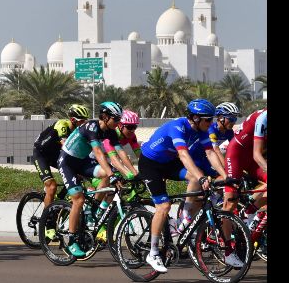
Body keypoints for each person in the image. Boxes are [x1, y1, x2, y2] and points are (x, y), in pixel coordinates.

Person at [137, 99, 229, 272]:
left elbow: (210, 152)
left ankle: (183, 219)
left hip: (169, 163)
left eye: (212, 120)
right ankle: (153, 252)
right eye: (208, 120)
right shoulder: (177, 127)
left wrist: (226, 177)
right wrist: (202, 177)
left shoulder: (201, 130)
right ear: (195, 118)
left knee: (195, 178)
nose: (211, 123)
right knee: (163, 206)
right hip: (150, 164)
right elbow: (184, 155)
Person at [57, 101, 135, 258]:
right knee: (78, 200)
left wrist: (132, 173)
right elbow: (99, 153)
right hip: (68, 163)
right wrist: (112, 175)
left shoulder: (111, 131)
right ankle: (72, 241)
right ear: (105, 117)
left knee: (110, 176)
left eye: (120, 119)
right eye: (116, 119)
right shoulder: (91, 127)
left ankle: (95, 209)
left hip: (82, 162)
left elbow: (120, 153)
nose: (118, 123)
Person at [221, 108, 267, 260]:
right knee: (229, 203)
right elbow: (257, 155)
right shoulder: (263, 118)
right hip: (237, 154)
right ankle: (227, 250)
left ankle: (248, 212)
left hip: (253, 156)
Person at [31, 104, 90, 209]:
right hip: (41, 154)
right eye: (81, 120)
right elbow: (66, 145)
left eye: (85, 120)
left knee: (78, 175)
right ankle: (47, 220)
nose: (84, 123)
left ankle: (60, 200)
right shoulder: (62, 125)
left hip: (54, 154)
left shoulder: (78, 131)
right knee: (51, 186)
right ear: (73, 120)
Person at [208, 102, 239, 168]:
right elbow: (216, 150)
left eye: (235, 119)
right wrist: (227, 169)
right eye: (231, 119)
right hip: (204, 155)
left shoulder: (229, 131)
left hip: (213, 153)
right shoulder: (211, 129)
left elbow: (235, 148)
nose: (233, 122)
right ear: (221, 118)